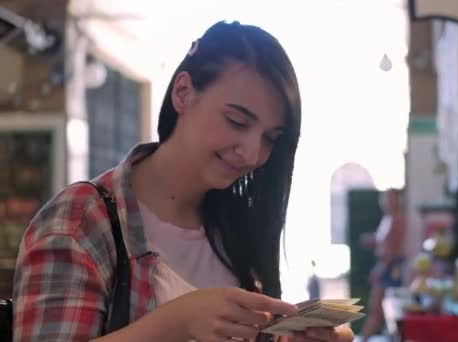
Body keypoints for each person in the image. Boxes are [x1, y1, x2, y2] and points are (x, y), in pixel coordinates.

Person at [12, 20, 354, 342]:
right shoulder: (80, 220)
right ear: (183, 92)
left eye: (270, 138)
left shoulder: (232, 224)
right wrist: (175, 322)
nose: (252, 154)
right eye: (236, 121)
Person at [358, 188, 406, 341]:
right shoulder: (387, 219)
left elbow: (393, 249)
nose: (387, 202)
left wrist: (381, 268)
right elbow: (383, 241)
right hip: (384, 265)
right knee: (381, 309)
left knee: (379, 308)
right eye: (385, 198)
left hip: (390, 267)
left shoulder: (398, 219)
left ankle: (364, 338)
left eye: (391, 198)